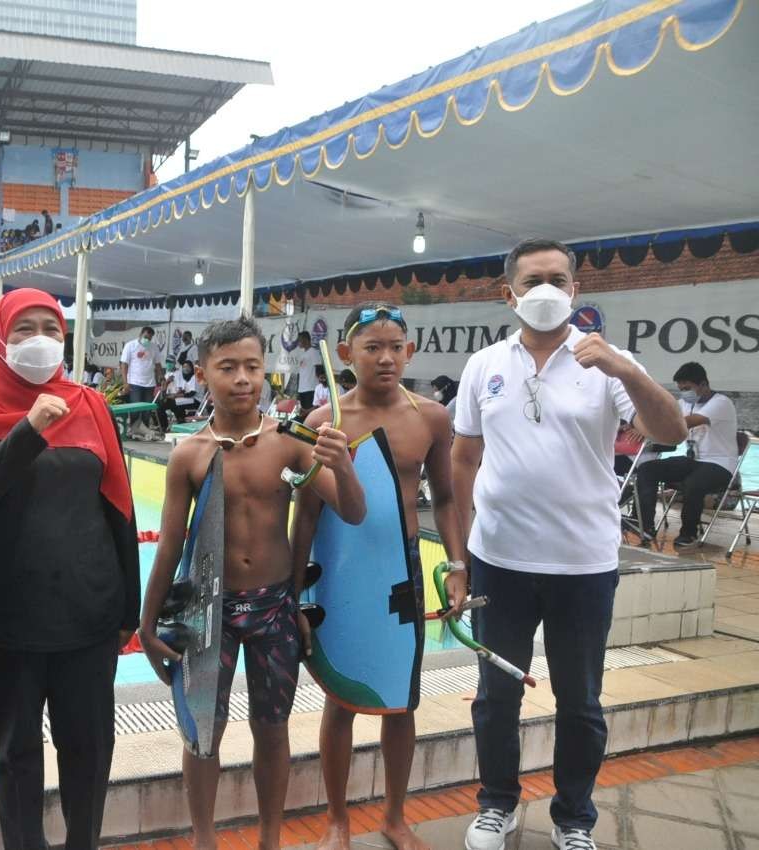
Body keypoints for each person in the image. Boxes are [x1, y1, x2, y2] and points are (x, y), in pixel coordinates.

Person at [452, 238, 685, 850]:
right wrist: (463, 550)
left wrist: (626, 370)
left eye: (558, 278)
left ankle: (574, 819)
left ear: (576, 290)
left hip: (583, 563)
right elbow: (464, 457)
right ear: (510, 294)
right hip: (498, 561)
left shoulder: (608, 363)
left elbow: (670, 430)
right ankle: (496, 806)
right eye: (533, 281)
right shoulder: (485, 365)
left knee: (580, 700)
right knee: (495, 695)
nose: (546, 290)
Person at [141, 317, 365, 850]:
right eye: (227, 368)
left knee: (272, 728)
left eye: (252, 366)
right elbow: (169, 545)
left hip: (273, 607)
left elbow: (352, 511)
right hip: (206, 611)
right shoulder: (190, 454)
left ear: (266, 371)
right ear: (202, 374)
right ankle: (204, 838)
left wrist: (344, 467)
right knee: (202, 735)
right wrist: (146, 623)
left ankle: (269, 838)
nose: (242, 378)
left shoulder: (289, 443)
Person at [0, 289, 139, 850]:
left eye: (51, 330)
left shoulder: (91, 407)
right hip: (8, 619)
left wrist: (129, 607)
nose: (41, 341)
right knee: (15, 756)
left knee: (89, 752)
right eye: (25, 329)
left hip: (88, 615)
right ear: (0, 340)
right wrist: (26, 431)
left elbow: (119, 508)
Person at [293, 304, 465, 850]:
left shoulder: (432, 417)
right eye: (372, 347)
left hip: (403, 575)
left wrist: (457, 566)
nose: (386, 358)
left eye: (396, 346)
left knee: (401, 699)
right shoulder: (323, 424)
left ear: (410, 352)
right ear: (346, 355)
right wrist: (296, 592)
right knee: (340, 695)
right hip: (343, 577)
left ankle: (394, 815)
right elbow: (307, 515)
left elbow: (446, 500)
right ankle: (337, 820)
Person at [634, 361, 739, 548]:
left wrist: (647, 427)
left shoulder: (721, 403)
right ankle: (645, 527)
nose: (684, 393)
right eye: (681, 389)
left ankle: (688, 534)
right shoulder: (683, 403)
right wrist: (636, 423)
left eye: (688, 388)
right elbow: (660, 415)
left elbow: (687, 422)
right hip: (694, 461)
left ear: (704, 384)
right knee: (647, 469)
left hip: (720, 465)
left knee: (693, 483)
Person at [120, 326, 162, 438]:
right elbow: (124, 365)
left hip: (150, 383)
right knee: (135, 409)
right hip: (134, 382)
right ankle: (133, 431)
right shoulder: (130, 346)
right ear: (141, 334)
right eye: (145, 337)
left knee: (147, 410)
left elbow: (158, 364)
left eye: (149, 338)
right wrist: (125, 382)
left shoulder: (154, 348)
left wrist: (161, 378)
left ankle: (144, 432)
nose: (147, 340)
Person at [157, 358, 200, 431]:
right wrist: (172, 395)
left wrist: (175, 396)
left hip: (195, 400)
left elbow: (191, 393)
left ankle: (180, 422)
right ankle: (164, 425)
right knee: (161, 405)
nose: (185, 369)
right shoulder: (185, 377)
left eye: (187, 367)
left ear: (191, 368)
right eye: (183, 367)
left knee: (173, 403)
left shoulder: (194, 377)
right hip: (185, 399)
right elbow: (183, 390)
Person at [295, 331, 321, 412]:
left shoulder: (314, 352)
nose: (298, 342)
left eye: (299, 340)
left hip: (311, 388)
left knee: (310, 413)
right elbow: (301, 373)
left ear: (306, 340)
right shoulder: (303, 354)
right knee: (303, 414)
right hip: (302, 389)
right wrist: (298, 389)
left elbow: (319, 369)